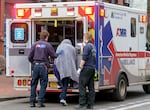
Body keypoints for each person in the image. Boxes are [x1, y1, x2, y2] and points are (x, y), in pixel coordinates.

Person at [28, 30, 57, 107]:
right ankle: (40, 102)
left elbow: (29, 56)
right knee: (43, 84)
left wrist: (33, 63)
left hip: (36, 66)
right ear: (46, 37)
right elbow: (54, 55)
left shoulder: (35, 44)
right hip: (43, 66)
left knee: (33, 84)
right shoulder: (48, 45)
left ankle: (32, 102)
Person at [54, 39, 79, 106]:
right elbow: (74, 59)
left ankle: (61, 94)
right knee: (65, 84)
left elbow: (56, 58)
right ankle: (63, 98)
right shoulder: (72, 48)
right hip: (68, 69)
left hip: (59, 68)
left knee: (62, 83)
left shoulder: (59, 46)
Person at [75, 32, 96, 110]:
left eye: (84, 37)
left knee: (82, 86)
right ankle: (90, 104)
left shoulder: (87, 47)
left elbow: (84, 58)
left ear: (85, 38)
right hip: (92, 69)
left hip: (86, 68)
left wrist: (80, 68)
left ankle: (82, 103)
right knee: (91, 87)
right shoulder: (93, 46)